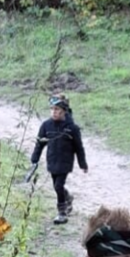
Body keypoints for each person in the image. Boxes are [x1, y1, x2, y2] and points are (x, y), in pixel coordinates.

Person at [30, 95, 88, 224]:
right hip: (52, 160)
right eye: (52, 109)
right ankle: (67, 197)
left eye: (56, 109)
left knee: (58, 185)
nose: (54, 112)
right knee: (56, 186)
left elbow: (79, 147)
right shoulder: (46, 125)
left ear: (64, 111)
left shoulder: (72, 128)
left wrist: (82, 163)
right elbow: (40, 143)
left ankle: (62, 212)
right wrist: (35, 158)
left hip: (65, 162)